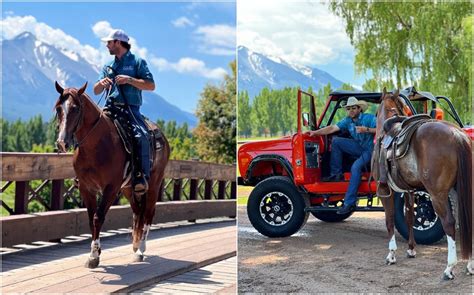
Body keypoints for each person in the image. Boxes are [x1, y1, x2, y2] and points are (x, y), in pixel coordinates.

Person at [93, 29, 155, 195]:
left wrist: (129, 80)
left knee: (141, 135)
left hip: (131, 109)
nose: (107, 45)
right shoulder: (108, 65)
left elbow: (150, 85)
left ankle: (141, 176)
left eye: (109, 42)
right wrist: (102, 83)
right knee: (88, 129)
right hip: (110, 108)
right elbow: (96, 90)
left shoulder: (137, 62)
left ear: (118, 43)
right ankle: (84, 173)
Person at [308, 96, 376, 215]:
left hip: (371, 150)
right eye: (348, 108)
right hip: (359, 147)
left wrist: (367, 129)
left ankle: (349, 203)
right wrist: (315, 133)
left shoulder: (368, 118)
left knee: (355, 167)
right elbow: (332, 128)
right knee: (336, 141)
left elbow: (383, 128)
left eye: (353, 108)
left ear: (359, 109)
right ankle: (336, 174)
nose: (351, 110)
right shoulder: (347, 121)